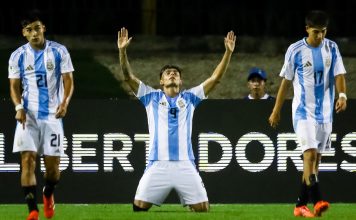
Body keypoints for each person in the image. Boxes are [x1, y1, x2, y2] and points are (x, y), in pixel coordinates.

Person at [118, 27, 236, 212]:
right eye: (167, 73)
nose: (172, 74)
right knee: (139, 209)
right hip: (157, 163)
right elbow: (128, 77)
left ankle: (189, 199)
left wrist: (228, 53)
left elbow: (215, 78)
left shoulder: (190, 98)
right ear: (161, 82)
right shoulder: (151, 97)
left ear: (180, 81)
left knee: (203, 209)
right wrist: (122, 51)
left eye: (176, 73)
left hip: (185, 163)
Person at [269, 10, 347, 218]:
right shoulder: (295, 50)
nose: (319, 36)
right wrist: (276, 110)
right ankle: (318, 198)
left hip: (326, 114)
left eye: (323, 32)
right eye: (315, 32)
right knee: (310, 155)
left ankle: (300, 205)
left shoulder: (332, 48)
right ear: (307, 29)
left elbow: (339, 73)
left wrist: (343, 95)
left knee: (315, 162)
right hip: (303, 112)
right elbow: (285, 83)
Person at [8, 10, 74, 220]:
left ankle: (48, 193)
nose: (34, 33)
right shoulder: (18, 56)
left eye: (37, 28)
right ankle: (32, 211)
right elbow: (14, 86)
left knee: (53, 171)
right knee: (27, 160)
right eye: (29, 30)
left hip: (53, 116)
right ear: (24, 33)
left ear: (43, 28)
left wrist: (64, 103)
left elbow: (68, 81)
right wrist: (19, 108)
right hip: (29, 116)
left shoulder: (59, 51)